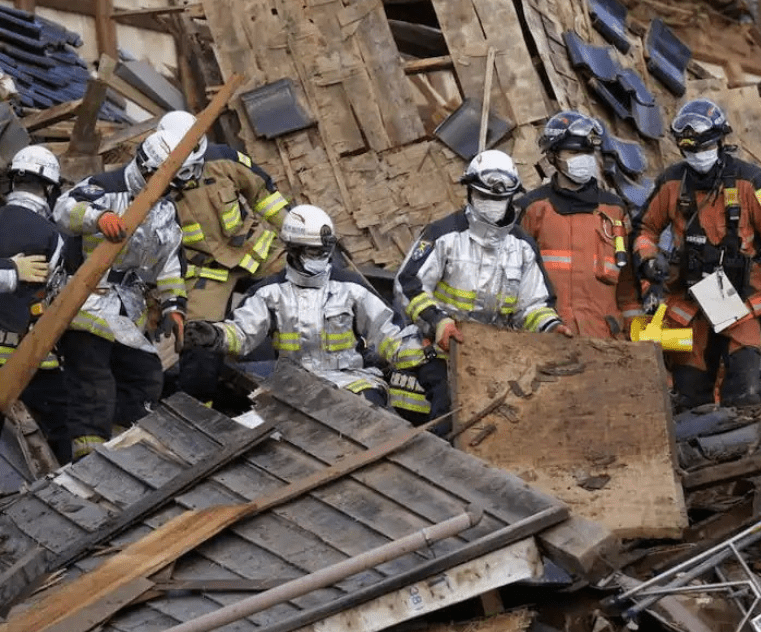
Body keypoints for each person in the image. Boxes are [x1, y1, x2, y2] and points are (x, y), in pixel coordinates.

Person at [633, 98, 761, 410]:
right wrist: (647, 260)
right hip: (691, 298)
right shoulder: (672, 182)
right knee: (688, 397)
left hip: (741, 297)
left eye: (704, 147)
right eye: (690, 150)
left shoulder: (754, 181)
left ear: (720, 141)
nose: (698, 156)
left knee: (744, 392)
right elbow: (644, 228)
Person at [184, 205, 427, 417]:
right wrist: (216, 336)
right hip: (293, 386)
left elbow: (389, 334)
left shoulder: (351, 288)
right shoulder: (269, 293)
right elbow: (242, 333)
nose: (322, 257)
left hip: (354, 381)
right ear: (293, 249)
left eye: (325, 250)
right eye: (314, 251)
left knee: (369, 424)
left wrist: (424, 354)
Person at [395, 150, 571, 422]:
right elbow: (409, 284)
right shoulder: (443, 236)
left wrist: (551, 327)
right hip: (441, 351)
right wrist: (438, 322)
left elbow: (534, 304)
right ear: (470, 193)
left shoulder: (522, 247)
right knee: (451, 413)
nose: (491, 203)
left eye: (498, 198)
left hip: (499, 354)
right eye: (485, 196)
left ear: (511, 197)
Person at [54, 131, 188, 459]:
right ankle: (87, 459)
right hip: (85, 303)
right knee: (93, 384)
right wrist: (98, 218)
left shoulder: (165, 210)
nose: (169, 191)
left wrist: (174, 306)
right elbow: (63, 208)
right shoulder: (105, 186)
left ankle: (123, 449)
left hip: (127, 306)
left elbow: (169, 263)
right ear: (147, 170)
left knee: (144, 376)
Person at [156, 110, 291, 401]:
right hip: (205, 270)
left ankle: (295, 382)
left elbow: (264, 196)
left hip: (255, 251)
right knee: (198, 338)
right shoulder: (151, 184)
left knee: (297, 294)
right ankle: (199, 406)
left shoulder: (223, 159)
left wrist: (296, 233)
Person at [519, 110, 642, 338]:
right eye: (574, 152)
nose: (583, 159)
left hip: (605, 338)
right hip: (549, 336)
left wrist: (637, 335)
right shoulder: (534, 208)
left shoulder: (615, 210)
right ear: (553, 156)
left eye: (587, 152)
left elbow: (628, 287)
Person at [0, 146, 71, 462]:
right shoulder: (52, 237)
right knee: (59, 426)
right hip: (28, 356)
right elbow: (57, 294)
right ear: (48, 188)